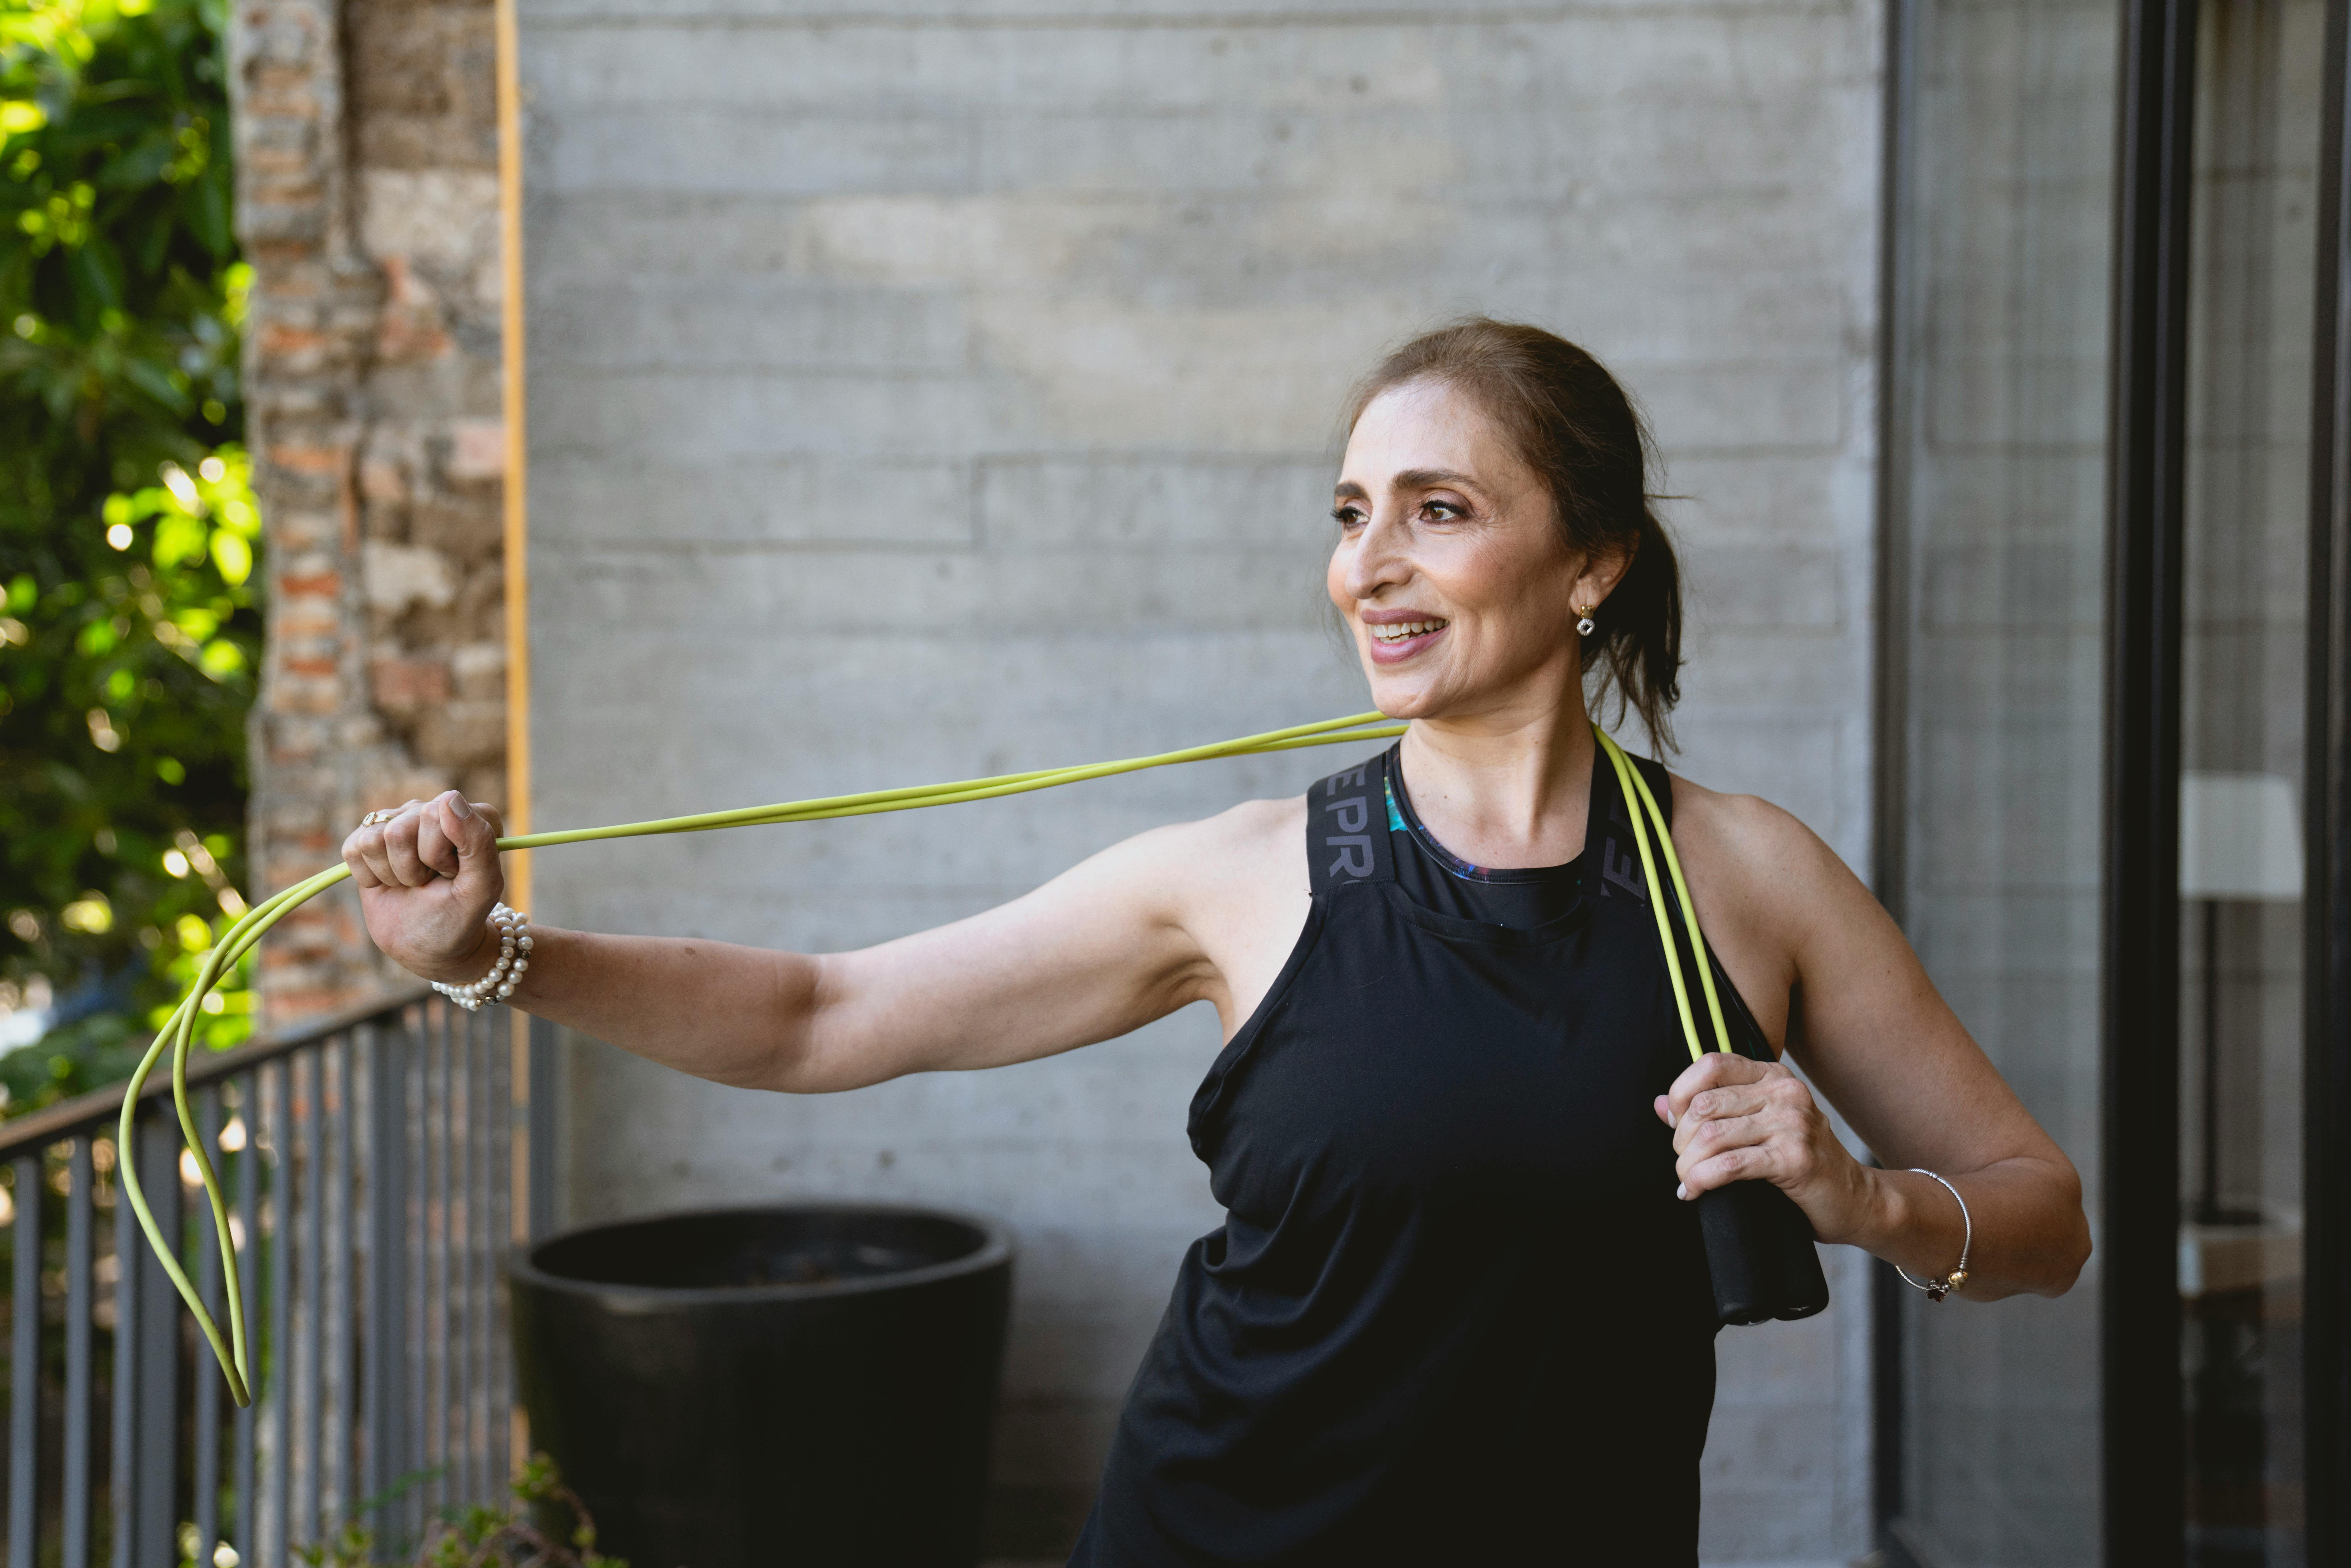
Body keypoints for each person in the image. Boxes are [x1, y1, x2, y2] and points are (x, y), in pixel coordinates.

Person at [345, 318, 2090, 1565]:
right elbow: (821, 1018)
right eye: (1349, 513)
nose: (1368, 567)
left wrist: (1861, 1203)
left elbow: (2043, 1216)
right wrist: (494, 952)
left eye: (1438, 508)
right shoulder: (1245, 881)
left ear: (1591, 564)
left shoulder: (1751, 881)